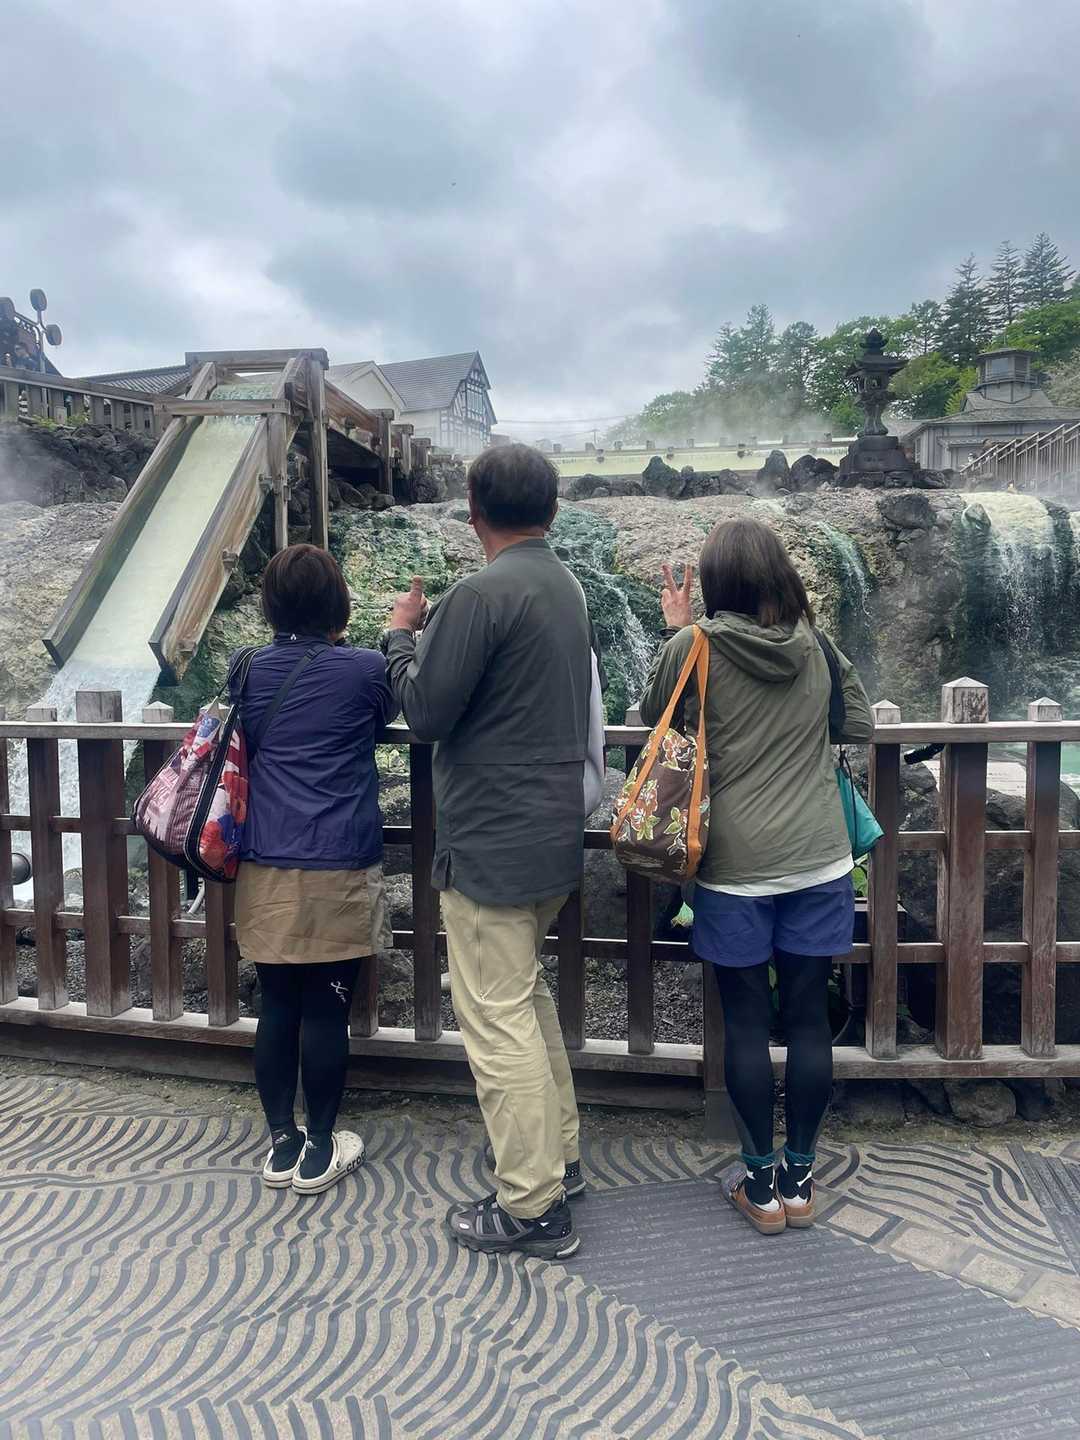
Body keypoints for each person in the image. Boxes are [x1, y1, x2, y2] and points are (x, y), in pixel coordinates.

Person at [383, 442, 590, 1261]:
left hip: (490, 844)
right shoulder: (565, 585)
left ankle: (533, 1205)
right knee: (525, 1003)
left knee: (496, 1022)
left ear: (473, 512)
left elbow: (427, 710)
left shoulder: (479, 593)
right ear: (553, 509)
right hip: (550, 833)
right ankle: (559, 1159)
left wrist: (400, 637)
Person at [641, 518, 873, 1235]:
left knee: (743, 1023)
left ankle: (760, 1186)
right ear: (778, 575)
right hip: (819, 859)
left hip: (732, 865)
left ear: (716, 584)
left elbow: (655, 718)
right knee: (806, 1019)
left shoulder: (693, 644)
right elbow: (859, 725)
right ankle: (802, 1181)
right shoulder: (817, 646)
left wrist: (678, 628)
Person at [233, 544, 396, 1195]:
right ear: (339, 604)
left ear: (270, 606)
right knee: (328, 1009)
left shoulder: (247, 668)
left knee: (277, 1004)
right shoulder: (365, 669)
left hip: (265, 861)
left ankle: (281, 1143)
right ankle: (322, 1146)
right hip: (338, 863)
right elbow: (385, 715)